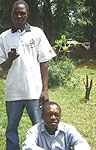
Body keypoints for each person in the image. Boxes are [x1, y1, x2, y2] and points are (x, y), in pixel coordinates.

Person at [0, 0, 56, 150]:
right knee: (11, 128)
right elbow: (3, 68)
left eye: (22, 13)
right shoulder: (4, 37)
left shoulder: (37, 33)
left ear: (28, 15)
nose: (19, 16)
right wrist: (10, 59)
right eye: (16, 13)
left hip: (34, 91)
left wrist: (45, 90)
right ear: (11, 15)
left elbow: (44, 63)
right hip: (13, 92)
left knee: (39, 127)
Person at [22, 101, 91, 150]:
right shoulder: (35, 130)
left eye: (56, 115)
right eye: (49, 114)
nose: (53, 118)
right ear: (42, 116)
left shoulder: (68, 129)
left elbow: (81, 143)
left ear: (60, 116)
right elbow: (27, 146)